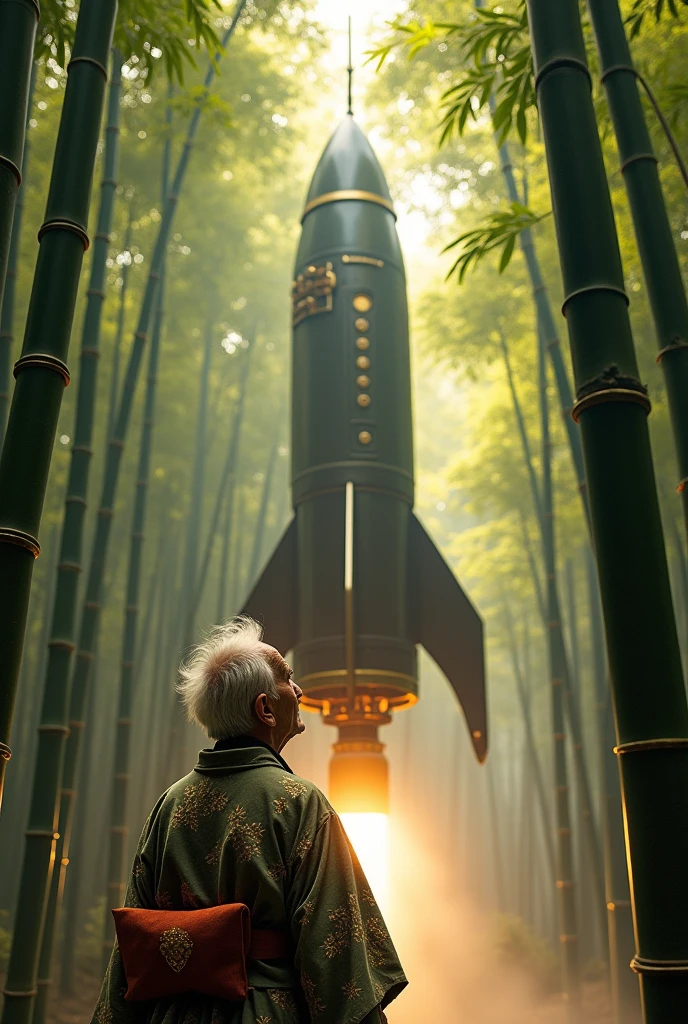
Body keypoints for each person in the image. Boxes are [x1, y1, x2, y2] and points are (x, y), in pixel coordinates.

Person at [92, 615, 407, 1024]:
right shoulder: (300, 802)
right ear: (265, 709)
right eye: (287, 679)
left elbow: (130, 954)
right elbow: (335, 949)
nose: (298, 690)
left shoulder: (168, 804)